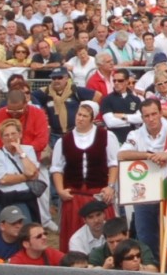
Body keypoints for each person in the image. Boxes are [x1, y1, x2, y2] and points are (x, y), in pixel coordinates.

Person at [118, 98, 167, 258]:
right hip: (146, 196)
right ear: (142, 118)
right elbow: (122, 154)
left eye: (154, 114)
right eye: (147, 116)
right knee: (147, 238)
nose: (151, 119)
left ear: (161, 113)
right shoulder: (136, 134)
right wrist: (149, 156)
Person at [51, 101, 118, 248]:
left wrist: (110, 186)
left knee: (105, 235)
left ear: (92, 119)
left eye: (85, 116)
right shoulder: (64, 140)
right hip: (74, 196)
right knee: (73, 235)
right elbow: (56, 168)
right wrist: (60, 190)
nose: (80, 118)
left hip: (98, 194)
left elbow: (113, 163)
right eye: (79, 114)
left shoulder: (106, 136)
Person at [0, 116, 42, 226]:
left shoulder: (28, 150)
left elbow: (32, 172)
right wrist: (26, 177)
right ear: (1, 138)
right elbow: (3, 179)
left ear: (20, 134)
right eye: (6, 135)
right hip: (3, 200)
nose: (10, 137)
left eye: (13, 134)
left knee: (25, 230)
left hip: (25, 199)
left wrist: (21, 152)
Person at [89, 216, 160, 271]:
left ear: (127, 235)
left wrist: (139, 267)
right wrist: (104, 270)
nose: (116, 245)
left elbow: (154, 270)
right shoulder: (98, 253)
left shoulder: (140, 247)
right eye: (111, 242)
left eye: (119, 241)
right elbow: (88, 270)